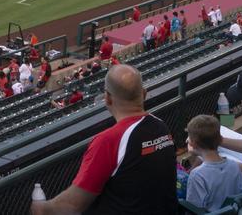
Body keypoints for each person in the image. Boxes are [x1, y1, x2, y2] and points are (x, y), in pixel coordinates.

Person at [31, 65, 176, 214]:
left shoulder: (108, 141)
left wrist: (42, 208)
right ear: (144, 94)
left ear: (107, 98)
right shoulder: (162, 126)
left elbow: (72, 205)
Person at [184, 115, 242, 211]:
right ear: (220, 139)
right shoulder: (234, 165)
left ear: (193, 144)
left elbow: (193, 209)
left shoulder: (197, 175)